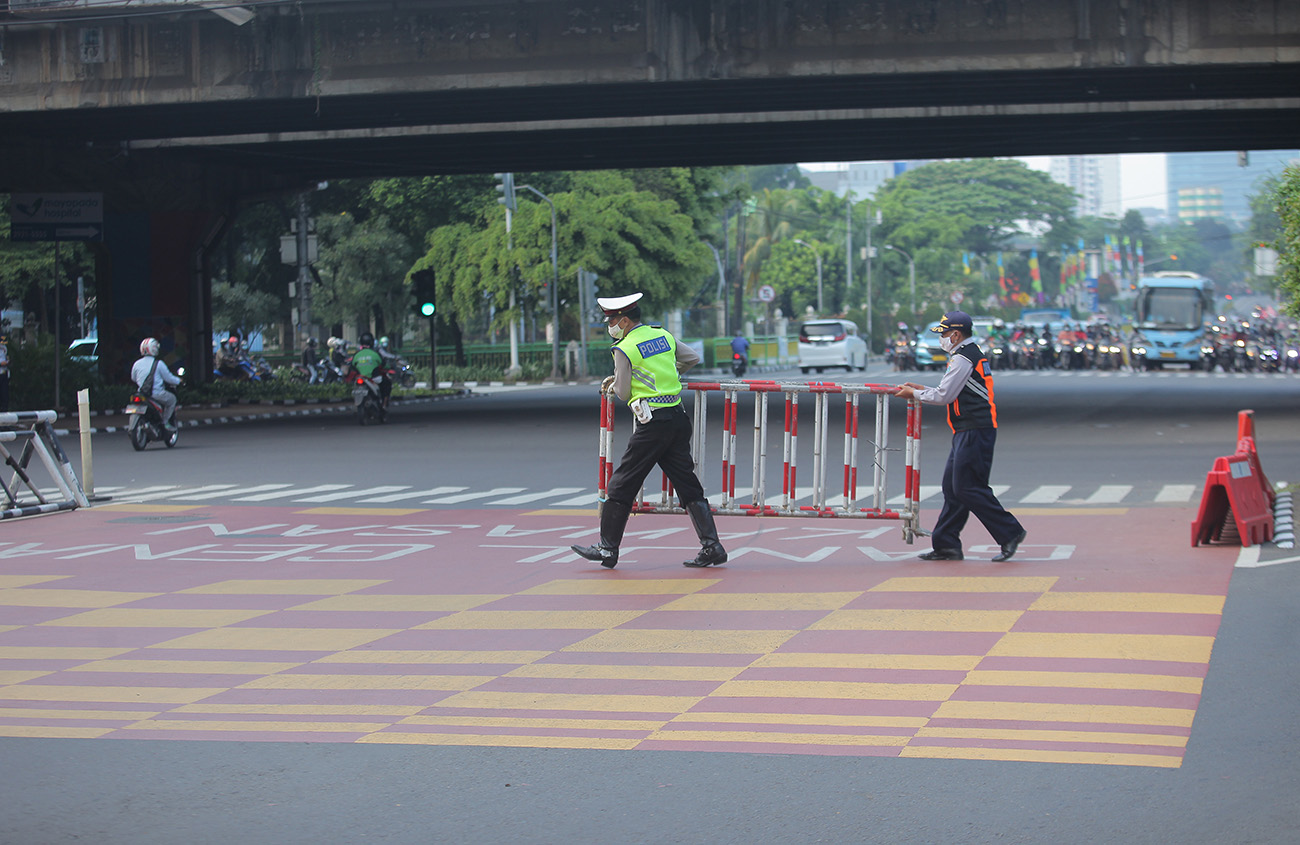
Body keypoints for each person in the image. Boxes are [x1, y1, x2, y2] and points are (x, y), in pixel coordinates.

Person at [571, 292, 726, 569]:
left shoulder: (625, 347)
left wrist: (620, 382)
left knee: (621, 484)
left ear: (625, 320)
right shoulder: (662, 335)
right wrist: (670, 374)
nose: (610, 326)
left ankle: (607, 548)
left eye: (612, 321)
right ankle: (712, 546)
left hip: (653, 424)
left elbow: (622, 392)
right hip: (677, 418)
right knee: (687, 484)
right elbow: (692, 357)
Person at [892, 310, 1026, 562]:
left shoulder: (964, 358)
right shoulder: (967, 354)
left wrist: (915, 394)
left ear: (955, 335)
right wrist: (922, 389)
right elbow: (949, 390)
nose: (941, 338)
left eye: (943, 333)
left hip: (975, 429)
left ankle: (1010, 532)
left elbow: (944, 396)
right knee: (953, 488)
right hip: (968, 429)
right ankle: (946, 544)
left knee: (968, 488)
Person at [131, 337, 182, 431]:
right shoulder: (159, 364)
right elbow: (169, 378)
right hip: (157, 394)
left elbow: (133, 378)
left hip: (142, 394)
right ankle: (165, 422)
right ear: (154, 349)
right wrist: (179, 381)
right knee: (172, 400)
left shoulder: (136, 363)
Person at [348, 332, 391, 407]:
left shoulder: (357, 354)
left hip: (360, 378)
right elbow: (383, 364)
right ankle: (384, 404)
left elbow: (352, 366)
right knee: (387, 383)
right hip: (373, 378)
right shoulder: (375, 354)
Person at [0, 334, 10, 412]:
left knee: (4, 393)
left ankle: (4, 409)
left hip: (4, 373)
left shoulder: (4, 348)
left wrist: (8, 362)